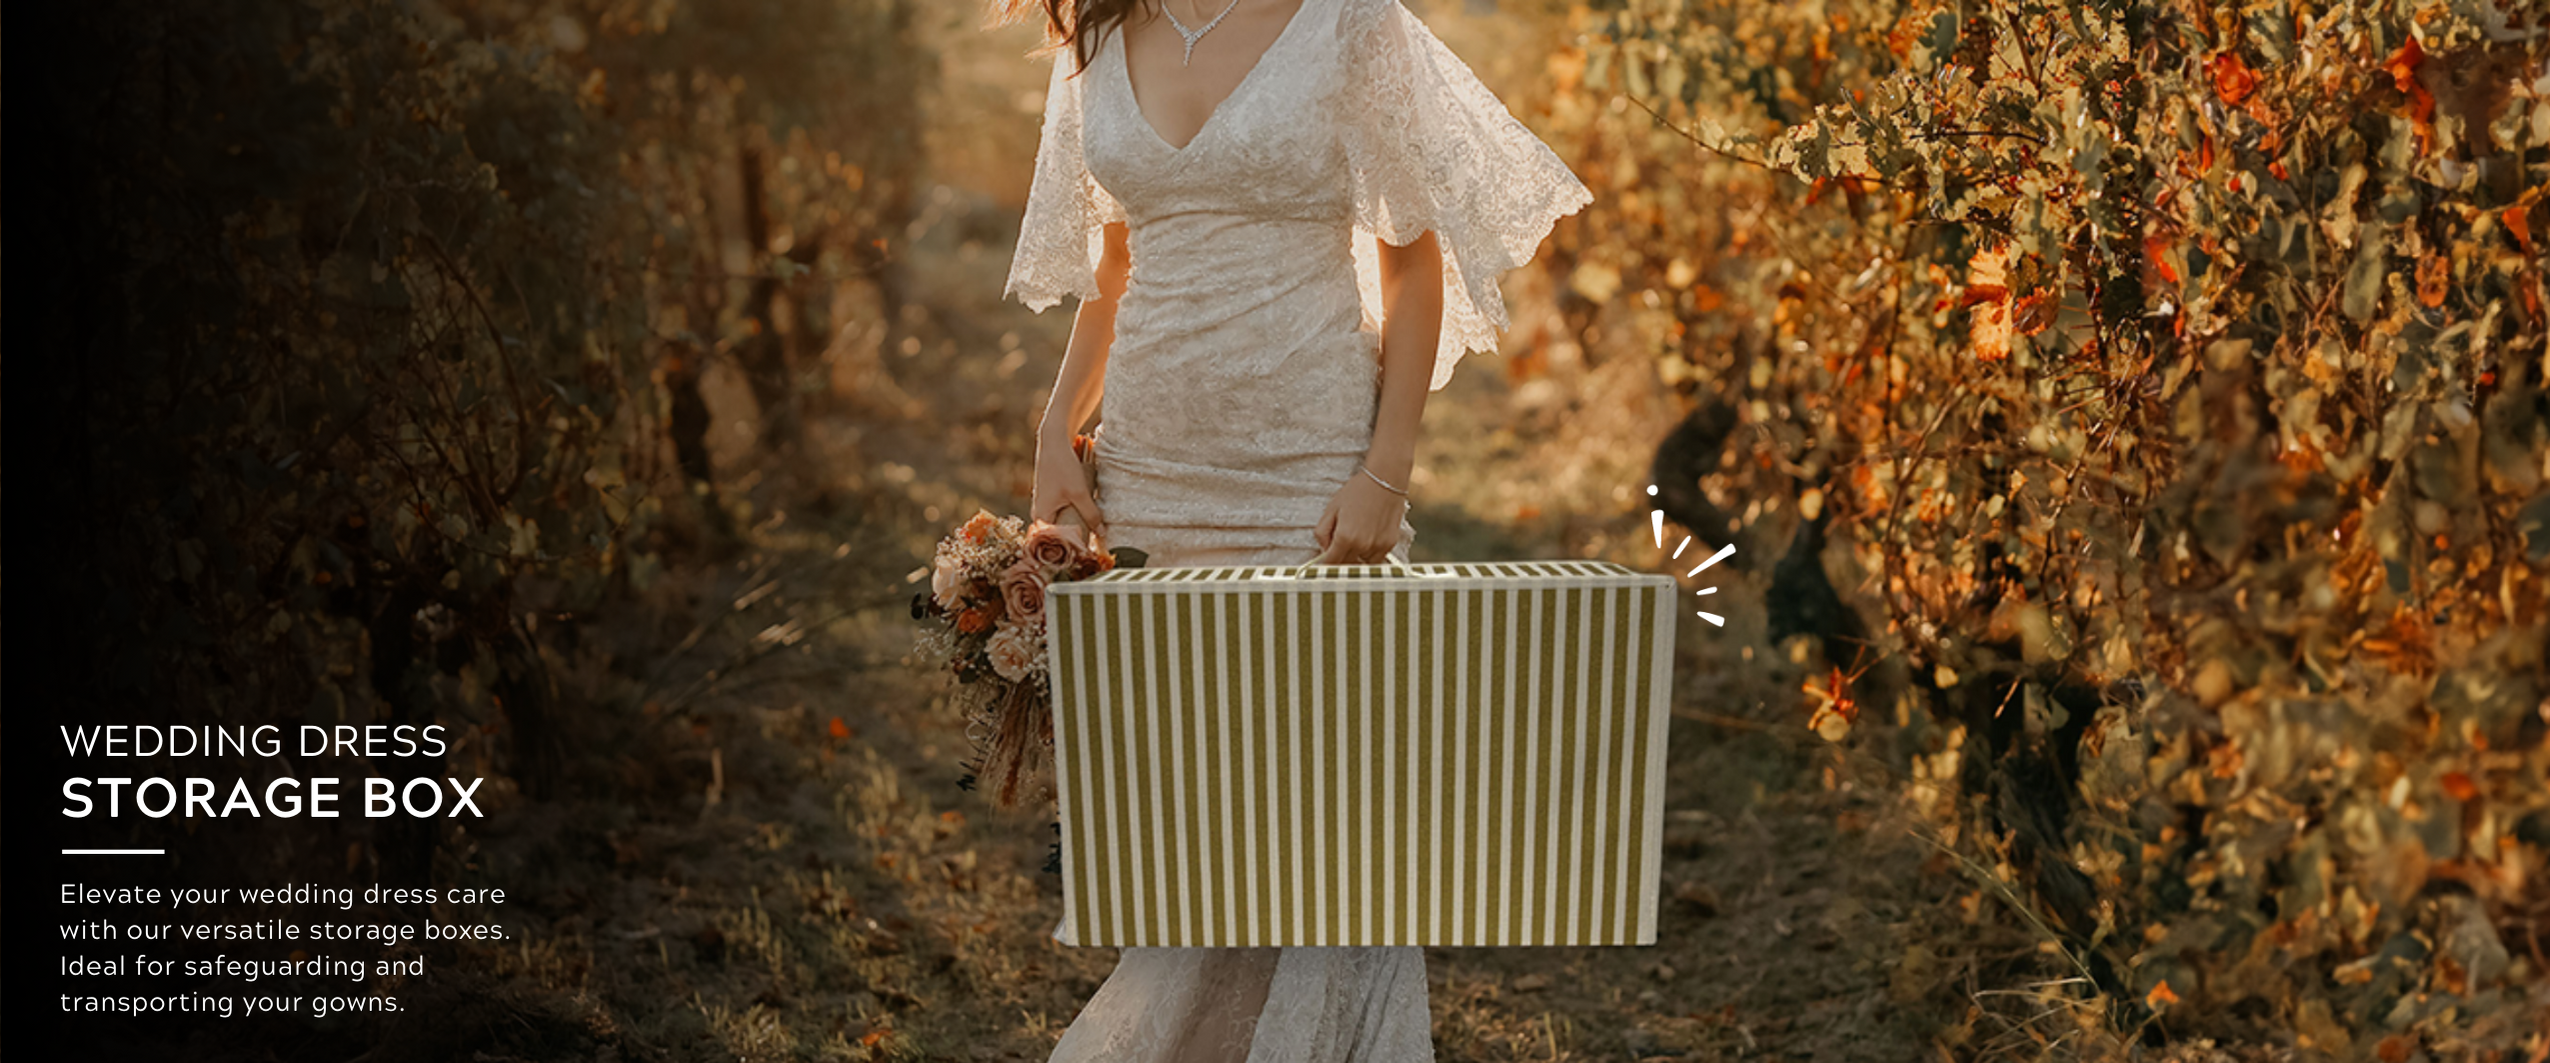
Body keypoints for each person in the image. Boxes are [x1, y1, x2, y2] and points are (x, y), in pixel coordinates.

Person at [996, 0, 1589, 1056]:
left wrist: (1384, 471)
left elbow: (1412, 268)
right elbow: (1110, 270)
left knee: (1328, 812)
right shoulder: (1098, 33)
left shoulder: (1350, 23)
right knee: (1193, 825)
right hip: (1151, 473)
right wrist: (1056, 433)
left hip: (1308, 469)